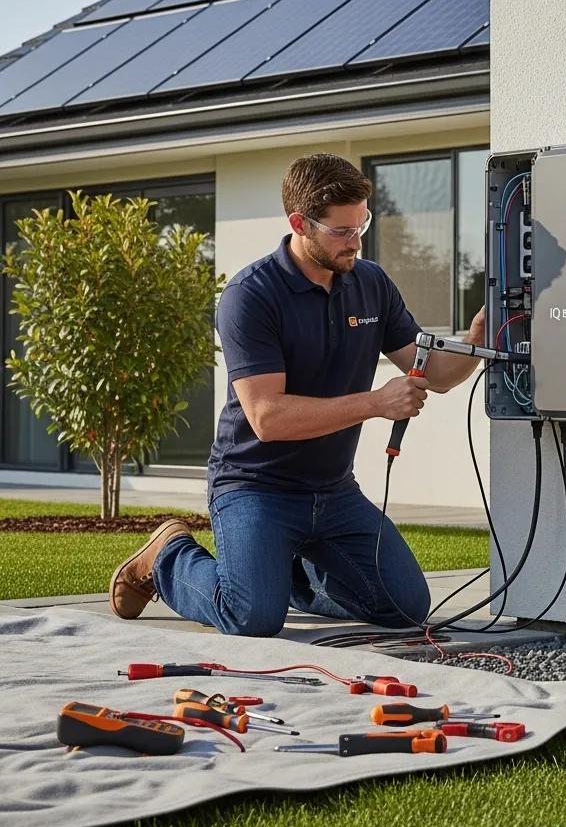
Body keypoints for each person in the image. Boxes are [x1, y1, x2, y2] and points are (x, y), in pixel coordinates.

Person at [108, 153, 484, 636]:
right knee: (252, 617)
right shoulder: (251, 295)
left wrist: (475, 343)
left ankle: (272, 573)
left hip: (333, 489)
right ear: (299, 223)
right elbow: (268, 417)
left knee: (405, 607)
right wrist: (375, 403)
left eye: (361, 224)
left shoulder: (371, 284)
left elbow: (433, 372)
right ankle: (168, 557)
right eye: (342, 231)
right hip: (255, 486)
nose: (357, 241)